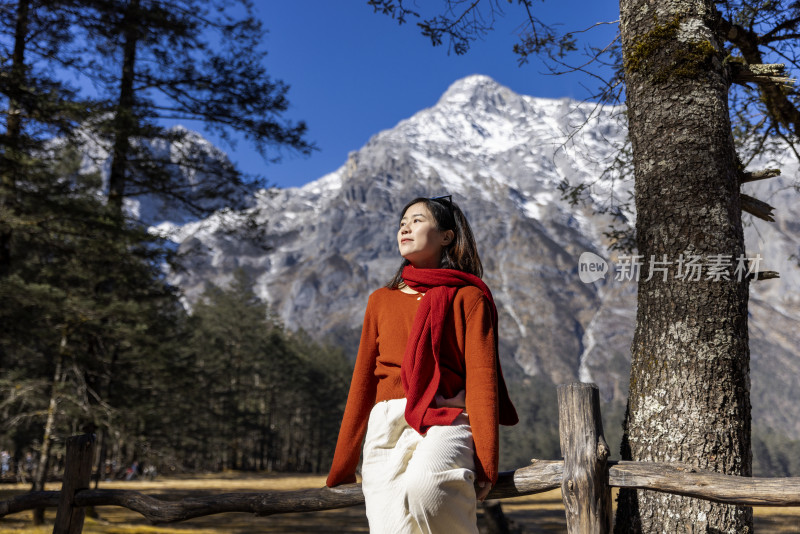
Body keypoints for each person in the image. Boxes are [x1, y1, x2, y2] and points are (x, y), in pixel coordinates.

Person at [326, 195, 518, 534]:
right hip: (386, 425)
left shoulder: (469, 297)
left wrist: (487, 461)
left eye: (416, 220)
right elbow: (362, 380)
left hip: (445, 415)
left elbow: (482, 377)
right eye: (402, 222)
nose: (405, 226)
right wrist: (344, 459)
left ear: (446, 236)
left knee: (429, 489)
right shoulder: (380, 300)